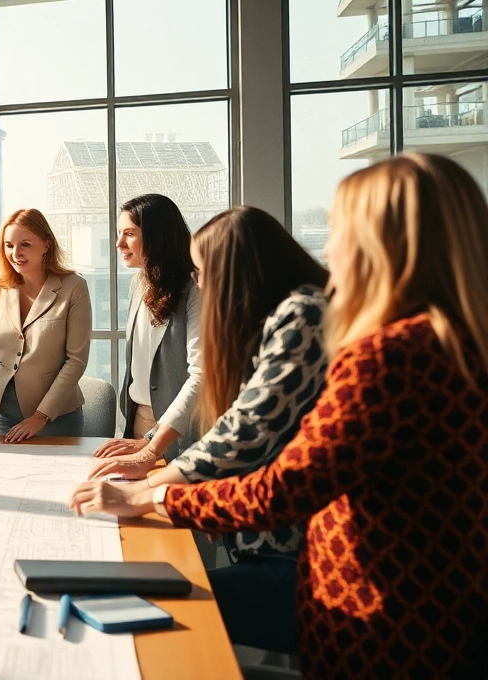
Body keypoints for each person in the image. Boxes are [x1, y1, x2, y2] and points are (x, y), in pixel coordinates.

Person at [71, 154, 488, 677]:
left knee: (139, 614)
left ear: (384, 246)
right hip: (441, 612)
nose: (330, 249)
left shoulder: (390, 355)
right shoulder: (455, 347)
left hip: (376, 619)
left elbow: (287, 487)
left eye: (341, 231)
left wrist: (157, 495)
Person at [70, 206, 330, 654]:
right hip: (275, 538)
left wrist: (149, 488)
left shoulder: (303, 315)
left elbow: (245, 430)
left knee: (158, 612)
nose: (199, 282)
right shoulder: (279, 316)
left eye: (203, 270)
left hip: (303, 556)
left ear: (237, 271)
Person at [0, 208, 91, 443]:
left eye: (25, 244)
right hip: (5, 414)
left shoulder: (73, 287)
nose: (15, 253)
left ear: (46, 244)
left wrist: (40, 417)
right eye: (8, 245)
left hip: (57, 417)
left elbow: (76, 361)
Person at [91, 194, 201, 473]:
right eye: (119, 233)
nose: (119, 244)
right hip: (138, 420)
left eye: (129, 233)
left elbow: (201, 375)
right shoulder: (139, 283)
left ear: (157, 237)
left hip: (178, 429)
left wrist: (153, 444)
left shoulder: (194, 290)